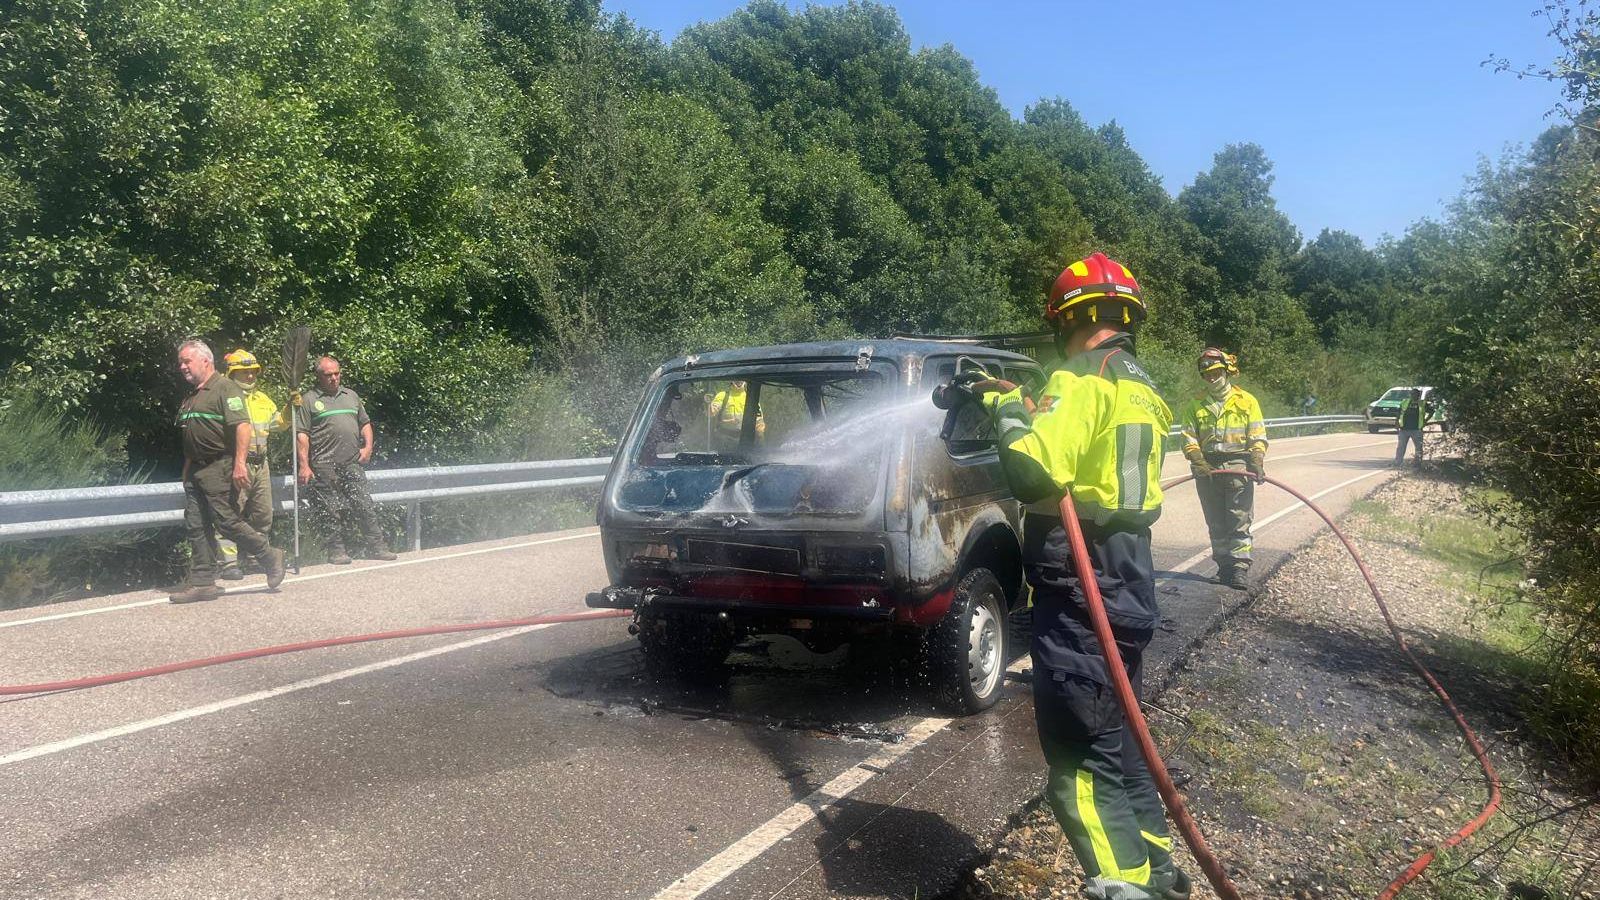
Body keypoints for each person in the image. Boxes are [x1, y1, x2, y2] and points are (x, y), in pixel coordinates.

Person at [974, 252, 1188, 899]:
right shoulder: (1142, 387)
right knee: (1121, 748)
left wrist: (1005, 407)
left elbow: (1036, 471)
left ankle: (1122, 888)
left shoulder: (1078, 378)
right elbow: (1088, 461)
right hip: (1128, 583)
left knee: (1079, 762)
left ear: (1070, 321)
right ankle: (1159, 875)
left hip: (1079, 591)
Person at [172, 340, 287, 603]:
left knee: (226, 520)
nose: (182, 367)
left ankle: (269, 556)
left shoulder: (225, 388)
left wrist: (238, 464)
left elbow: (243, 427)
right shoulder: (193, 395)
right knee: (196, 526)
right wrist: (187, 469)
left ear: (205, 360)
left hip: (219, 466)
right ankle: (203, 582)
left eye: (186, 361)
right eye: (180, 362)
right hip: (196, 470)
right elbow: (193, 435)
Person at [1178, 348, 1268, 590]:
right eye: (1206, 373)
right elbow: (1188, 437)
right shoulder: (1195, 405)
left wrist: (1257, 459)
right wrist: (1198, 461)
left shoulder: (1247, 401)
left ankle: (1239, 568)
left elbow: (1258, 435)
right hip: (1207, 467)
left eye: (1216, 371)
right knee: (1215, 521)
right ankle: (1224, 567)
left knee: (1238, 519)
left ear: (1227, 371)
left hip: (1238, 465)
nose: (1211, 377)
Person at [297, 356, 396, 565]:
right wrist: (304, 465)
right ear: (318, 376)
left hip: (351, 461)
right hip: (323, 464)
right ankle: (337, 551)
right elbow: (302, 435)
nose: (334, 378)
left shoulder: (351, 396)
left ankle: (377, 547)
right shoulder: (309, 399)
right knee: (329, 509)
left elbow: (365, 424)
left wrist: (368, 448)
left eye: (337, 373)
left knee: (364, 504)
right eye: (328, 375)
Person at [214, 348, 287, 580]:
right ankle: (228, 563)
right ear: (233, 373)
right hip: (236, 463)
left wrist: (291, 408)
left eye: (253, 372)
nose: (250, 376)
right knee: (231, 513)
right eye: (244, 372)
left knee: (262, 514)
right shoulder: (225, 397)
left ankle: (258, 556)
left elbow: (279, 424)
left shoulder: (262, 399)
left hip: (261, 464)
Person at [706, 380, 764, 448]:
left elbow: (759, 421)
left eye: (741, 378)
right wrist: (708, 403)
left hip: (744, 442)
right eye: (736, 378)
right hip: (724, 441)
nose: (739, 381)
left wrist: (760, 442)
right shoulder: (722, 395)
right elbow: (710, 413)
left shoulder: (751, 397)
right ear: (731, 380)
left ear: (745, 381)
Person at [1395, 388, 1426, 467]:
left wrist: (1426, 420)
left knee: (1418, 447)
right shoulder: (1405, 402)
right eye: (1412, 394)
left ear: (1419, 395)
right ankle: (1398, 462)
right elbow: (1399, 412)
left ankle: (1417, 463)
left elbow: (1431, 411)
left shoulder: (1422, 403)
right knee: (1401, 447)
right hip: (1404, 429)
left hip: (1416, 429)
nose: (1413, 396)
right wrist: (1396, 422)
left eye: (1415, 394)